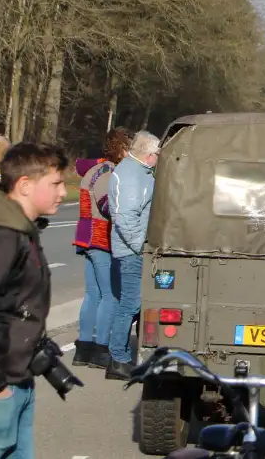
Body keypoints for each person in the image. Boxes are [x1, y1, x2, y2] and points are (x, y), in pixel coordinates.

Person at [0, 143, 68, 459]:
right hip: (3, 384)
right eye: (55, 183)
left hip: (19, 379)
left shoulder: (23, 230)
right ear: (25, 186)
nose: (63, 192)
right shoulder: (4, 235)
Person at [70, 127, 133, 370]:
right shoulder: (108, 173)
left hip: (88, 238)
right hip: (101, 239)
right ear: (122, 148)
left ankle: (83, 349)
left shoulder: (94, 169)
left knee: (93, 294)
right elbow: (107, 206)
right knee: (111, 295)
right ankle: (101, 349)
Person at [104, 131, 160, 380]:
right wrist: (140, 246)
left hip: (132, 249)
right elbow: (126, 217)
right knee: (130, 304)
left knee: (133, 304)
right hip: (131, 251)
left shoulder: (138, 173)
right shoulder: (132, 176)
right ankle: (118, 358)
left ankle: (125, 355)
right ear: (150, 155)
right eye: (158, 154)